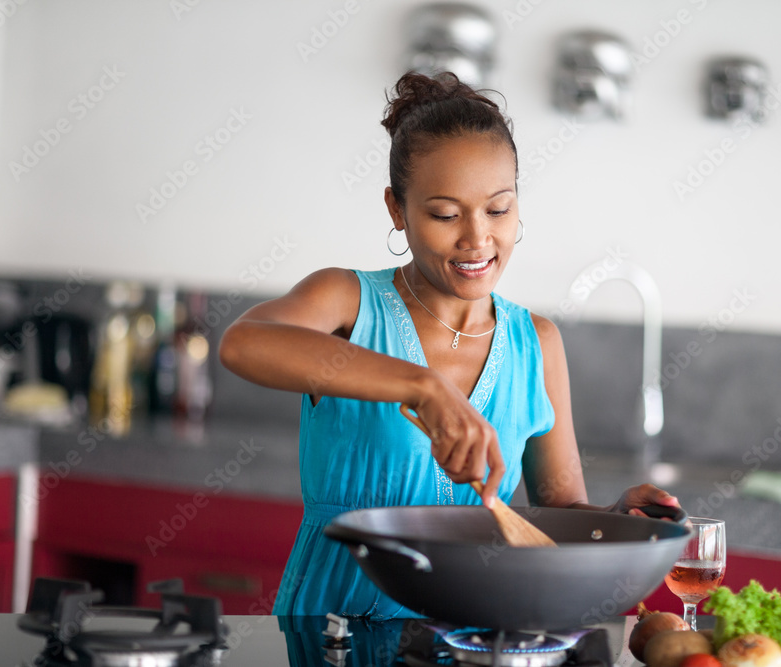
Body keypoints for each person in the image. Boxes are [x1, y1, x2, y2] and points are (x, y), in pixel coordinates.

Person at [219, 71, 681, 619]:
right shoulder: (346, 303)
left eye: (499, 209)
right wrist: (422, 385)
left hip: (474, 635)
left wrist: (612, 519)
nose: (477, 238)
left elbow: (558, 510)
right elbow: (244, 343)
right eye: (444, 214)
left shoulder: (537, 343)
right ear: (397, 210)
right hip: (337, 630)